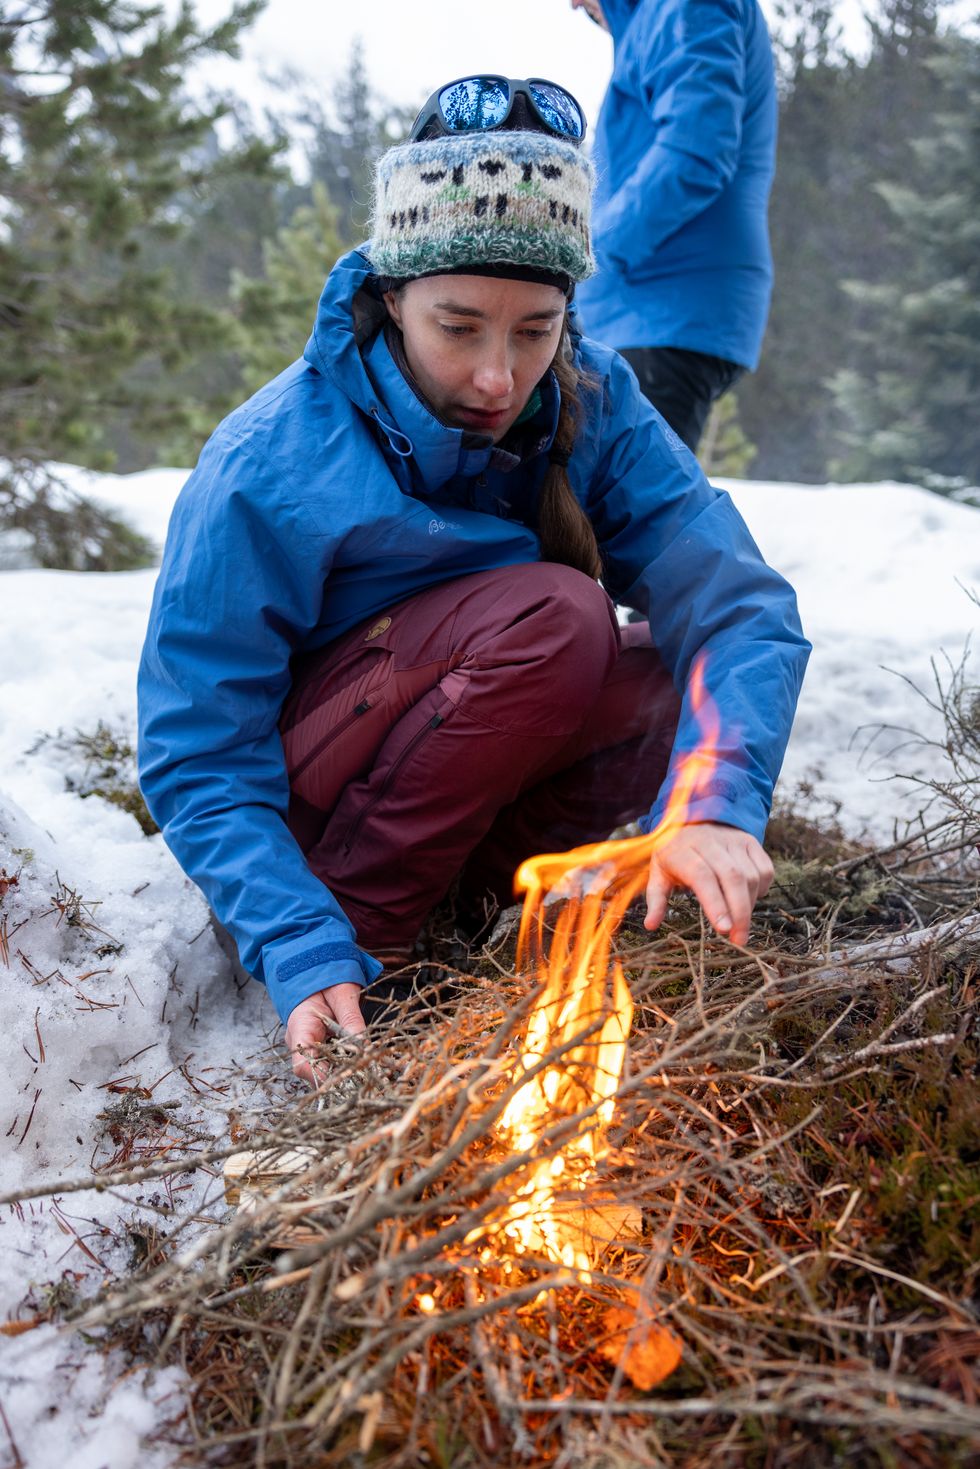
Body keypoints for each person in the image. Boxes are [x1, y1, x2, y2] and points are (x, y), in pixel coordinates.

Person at [137, 75, 809, 1081]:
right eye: (458, 326)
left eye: (533, 329)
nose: (498, 375)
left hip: (453, 746)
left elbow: (738, 605)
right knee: (557, 618)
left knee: (672, 685)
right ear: (392, 295)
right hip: (310, 811)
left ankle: (489, 906)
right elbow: (196, 747)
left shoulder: (592, 399)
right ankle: (368, 944)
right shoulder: (270, 459)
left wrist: (714, 801)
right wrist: (299, 935)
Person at [570, 0, 778, 452]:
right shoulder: (655, 19)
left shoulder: (683, 6)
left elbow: (696, 152)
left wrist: (587, 250)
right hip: (646, 314)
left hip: (663, 315)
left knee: (625, 516)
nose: (574, 4)